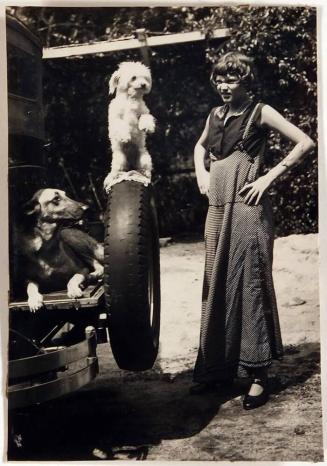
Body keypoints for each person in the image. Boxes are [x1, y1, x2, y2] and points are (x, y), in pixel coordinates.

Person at [191, 51, 315, 409]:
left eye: (233, 79)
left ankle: (258, 375)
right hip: (217, 209)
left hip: (248, 209)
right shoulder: (214, 115)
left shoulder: (260, 111)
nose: (225, 85)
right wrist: (201, 171)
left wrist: (267, 178)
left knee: (249, 284)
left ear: (246, 81)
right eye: (220, 79)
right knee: (215, 283)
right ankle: (217, 369)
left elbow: (305, 142)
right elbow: (199, 146)